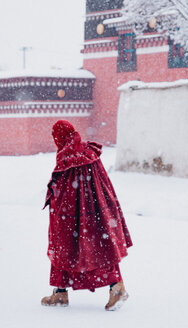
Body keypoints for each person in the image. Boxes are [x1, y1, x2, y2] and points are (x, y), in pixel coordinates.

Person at [41, 120, 133, 311]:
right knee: (101, 248)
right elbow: (101, 183)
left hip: (73, 215)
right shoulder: (88, 151)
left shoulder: (68, 157)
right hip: (97, 211)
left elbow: (67, 190)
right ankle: (61, 293)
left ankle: (114, 289)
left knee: (64, 248)